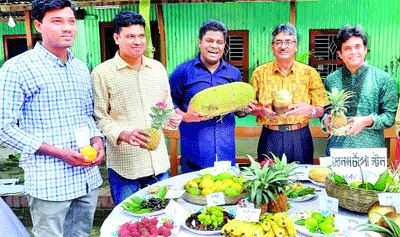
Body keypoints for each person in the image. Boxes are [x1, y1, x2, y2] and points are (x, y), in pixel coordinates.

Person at [0, 0, 105, 236]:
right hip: (50, 180)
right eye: (57, 21)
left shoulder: (79, 67)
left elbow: (86, 116)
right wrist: (57, 152)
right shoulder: (17, 68)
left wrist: (97, 140)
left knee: (80, 234)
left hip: (86, 177)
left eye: (71, 21)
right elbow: (3, 127)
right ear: (38, 25)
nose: (67, 28)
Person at [92, 10, 182, 205]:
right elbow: (100, 117)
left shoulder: (157, 68)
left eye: (141, 36)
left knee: (160, 217)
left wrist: (172, 118)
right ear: (117, 38)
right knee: (127, 219)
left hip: (158, 162)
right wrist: (121, 133)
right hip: (125, 165)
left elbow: (165, 107)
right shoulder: (102, 73)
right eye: (130, 36)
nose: (138, 41)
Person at [169, 20, 244, 174]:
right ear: (200, 42)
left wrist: (247, 108)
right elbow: (169, 103)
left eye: (219, 42)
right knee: (194, 196)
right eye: (209, 41)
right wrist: (185, 116)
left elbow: (239, 111)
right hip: (194, 155)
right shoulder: (182, 71)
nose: (214, 46)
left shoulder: (234, 73)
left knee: (226, 195)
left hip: (226, 154)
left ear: (224, 45)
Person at [248, 23, 329, 164]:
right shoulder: (259, 73)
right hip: (270, 137)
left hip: (300, 137)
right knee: (268, 181)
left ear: (296, 46)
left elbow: (322, 109)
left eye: (288, 42)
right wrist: (261, 111)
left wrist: (311, 109)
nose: (283, 46)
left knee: (301, 182)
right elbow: (249, 107)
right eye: (278, 42)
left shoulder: (309, 73)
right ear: (272, 47)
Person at [323, 25, 398, 155]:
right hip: (337, 151)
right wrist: (325, 120)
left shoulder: (383, 78)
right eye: (347, 48)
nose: (353, 52)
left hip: (371, 153)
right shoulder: (331, 80)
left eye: (357, 47)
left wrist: (367, 120)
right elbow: (325, 109)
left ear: (365, 49)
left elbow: (390, 117)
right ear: (340, 54)